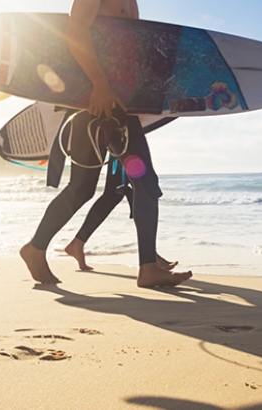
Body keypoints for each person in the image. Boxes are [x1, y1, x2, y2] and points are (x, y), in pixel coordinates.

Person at [20, 0, 192, 288]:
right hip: (97, 101)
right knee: (140, 183)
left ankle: (35, 248)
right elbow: (75, 33)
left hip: (117, 104)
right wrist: (100, 85)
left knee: (86, 188)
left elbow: (128, 49)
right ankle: (147, 268)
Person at [64, 154, 178, 272]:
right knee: (141, 192)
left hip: (122, 145)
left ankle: (78, 243)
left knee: (115, 194)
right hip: (124, 144)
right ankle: (150, 257)